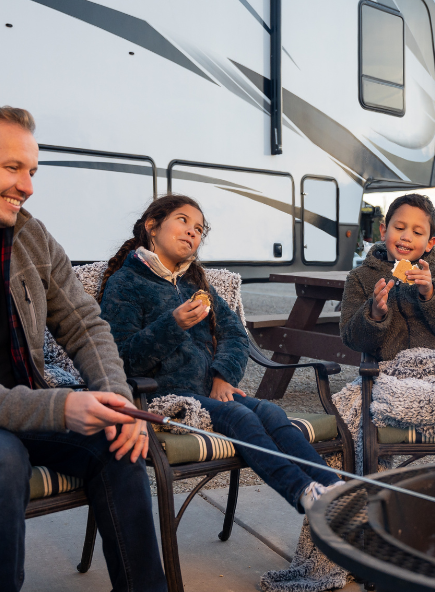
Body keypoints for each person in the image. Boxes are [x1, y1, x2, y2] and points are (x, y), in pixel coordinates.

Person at [0, 102, 192, 592]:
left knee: (118, 446)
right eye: (12, 168)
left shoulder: (30, 236)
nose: (27, 185)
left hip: (25, 404)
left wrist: (117, 401)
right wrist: (57, 406)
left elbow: (85, 324)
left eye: (32, 171)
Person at [98, 195, 343, 515]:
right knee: (241, 416)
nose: (192, 232)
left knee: (270, 413)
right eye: (183, 221)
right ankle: (303, 492)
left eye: (199, 229)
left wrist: (221, 376)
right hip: (160, 399)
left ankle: (336, 487)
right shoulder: (126, 282)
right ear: (152, 226)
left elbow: (236, 335)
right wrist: (173, 324)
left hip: (207, 392)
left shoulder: (195, 282)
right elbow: (120, 357)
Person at [340, 194, 435, 361]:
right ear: (384, 231)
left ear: (430, 243)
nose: (406, 237)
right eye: (400, 228)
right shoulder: (360, 278)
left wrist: (431, 294)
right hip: (390, 372)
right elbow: (352, 340)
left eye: (417, 232)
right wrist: (374, 314)